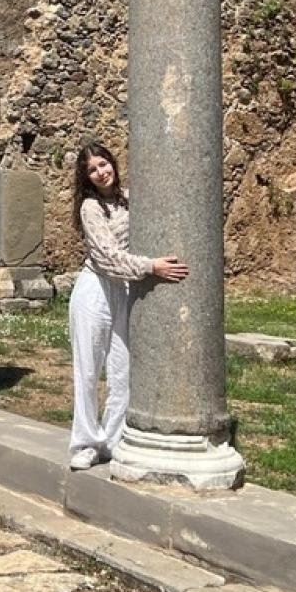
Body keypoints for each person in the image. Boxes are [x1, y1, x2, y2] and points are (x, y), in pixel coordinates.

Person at [68, 143, 189, 471]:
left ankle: (111, 439)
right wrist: (152, 267)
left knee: (122, 372)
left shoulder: (130, 199)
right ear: (87, 178)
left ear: (113, 164)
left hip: (125, 291)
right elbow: (107, 256)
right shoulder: (90, 208)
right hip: (95, 289)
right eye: (92, 170)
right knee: (88, 369)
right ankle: (85, 443)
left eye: (103, 164)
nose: (100, 172)